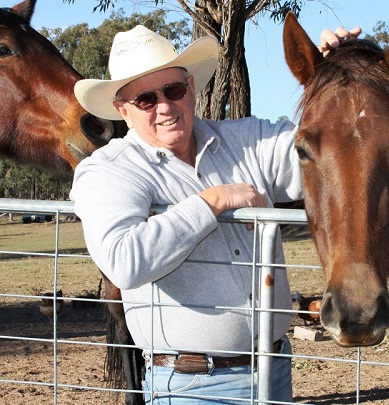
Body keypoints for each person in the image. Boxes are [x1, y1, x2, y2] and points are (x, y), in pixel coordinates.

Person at [70, 22, 361, 404]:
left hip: (274, 371)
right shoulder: (109, 170)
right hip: (191, 386)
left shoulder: (248, 141)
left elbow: (332, 156)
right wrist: (211, 202)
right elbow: (125, 261)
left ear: (191, 88)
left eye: (173, 90)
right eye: (145, 99)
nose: (164, 106)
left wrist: (332, 80)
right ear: (123, 110)